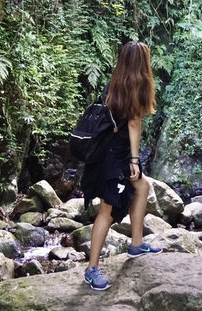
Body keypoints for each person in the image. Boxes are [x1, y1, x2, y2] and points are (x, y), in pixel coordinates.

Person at [82, 41, 162, 291]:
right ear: (142, 62)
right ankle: (91, 269)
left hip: (106, 154)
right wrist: (134, 160)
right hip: (117, 158)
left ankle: (136, 244)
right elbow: (134, 125)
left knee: (143, 186)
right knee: (107, 210)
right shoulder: (137, 84)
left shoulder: (115, 82)